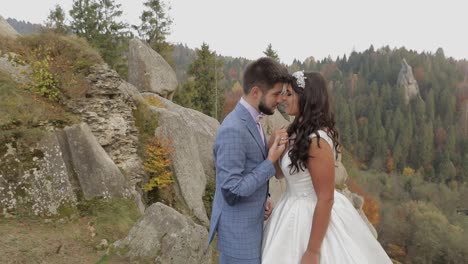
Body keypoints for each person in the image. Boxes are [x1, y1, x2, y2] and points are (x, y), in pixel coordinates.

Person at [261, 71, 393, 264]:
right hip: (288, 210)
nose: (282, 99)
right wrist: (275, 148)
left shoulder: (317, 140)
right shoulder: (293, 132)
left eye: (289, 94)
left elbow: (326, 197)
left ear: (306, 97)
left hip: (313, 215)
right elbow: (282, 175)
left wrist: (313, 251)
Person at [208, 57, 291, 264]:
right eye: (275, 94)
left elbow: (248, 168)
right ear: (256, 92)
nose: (280, 100)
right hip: (239, 238)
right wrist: (270, 161)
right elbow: (231, 191)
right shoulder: (233, 129)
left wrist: (265, 198)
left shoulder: (254, 120)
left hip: (251, 229)